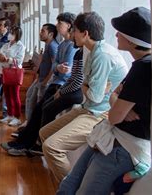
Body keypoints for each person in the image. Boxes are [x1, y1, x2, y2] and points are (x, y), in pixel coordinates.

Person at [57, 7, 152, 195]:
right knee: (69, 184)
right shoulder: (139, 66)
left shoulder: (142, 69)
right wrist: (116, 99)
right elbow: (112, 98)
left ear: (132, 39)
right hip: (110, 137)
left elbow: (114, 114)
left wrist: (115, 100)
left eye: (121, 32)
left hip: (121, 147)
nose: (116, 34)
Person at [39, 12, 128, 183]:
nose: (72, 34)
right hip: (88, 108)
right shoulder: (92, 51)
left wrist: (87, 86)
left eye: (75, 30)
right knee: (44, 133)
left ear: (85, 33)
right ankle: (63, 180)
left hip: (100, 114)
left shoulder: (102, 55)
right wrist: (87, 86)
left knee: (51, 147)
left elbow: (94, 96)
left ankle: (69, 188)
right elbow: (85, 84)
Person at [2, 30, 84, 156]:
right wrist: (57, 69)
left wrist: (60, 90)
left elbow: (70, 74)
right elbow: (57, 66)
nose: (57, 26)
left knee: (44, 110)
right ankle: (25, 140)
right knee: (39, 109)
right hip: (60, 85)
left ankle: (34, 144)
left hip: (64, 86)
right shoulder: (70, 48)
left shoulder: (73, 49)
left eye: (60, 23)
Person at [25, 23, 59, 122]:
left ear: (51, 34)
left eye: (43, 31)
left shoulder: (53, 46)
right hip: (40, 78)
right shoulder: (48, 45)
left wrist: (46, 81)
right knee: (29, 97)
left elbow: (54, 66)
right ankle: (28, 123)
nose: (40, 33)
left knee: (37, 103)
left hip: (45, 81)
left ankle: (30, 125)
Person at [0, 26, 26, 126]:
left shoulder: (20, 46)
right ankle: (10, 115)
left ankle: (17, 117)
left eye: (12, 33)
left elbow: (19, 60)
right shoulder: (6, 44)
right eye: (10, 32)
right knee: (6, 94)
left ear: (17, 35)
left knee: (15, 95)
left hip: (13, 73)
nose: (10, 34)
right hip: (4, 72)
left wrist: (7, 59)